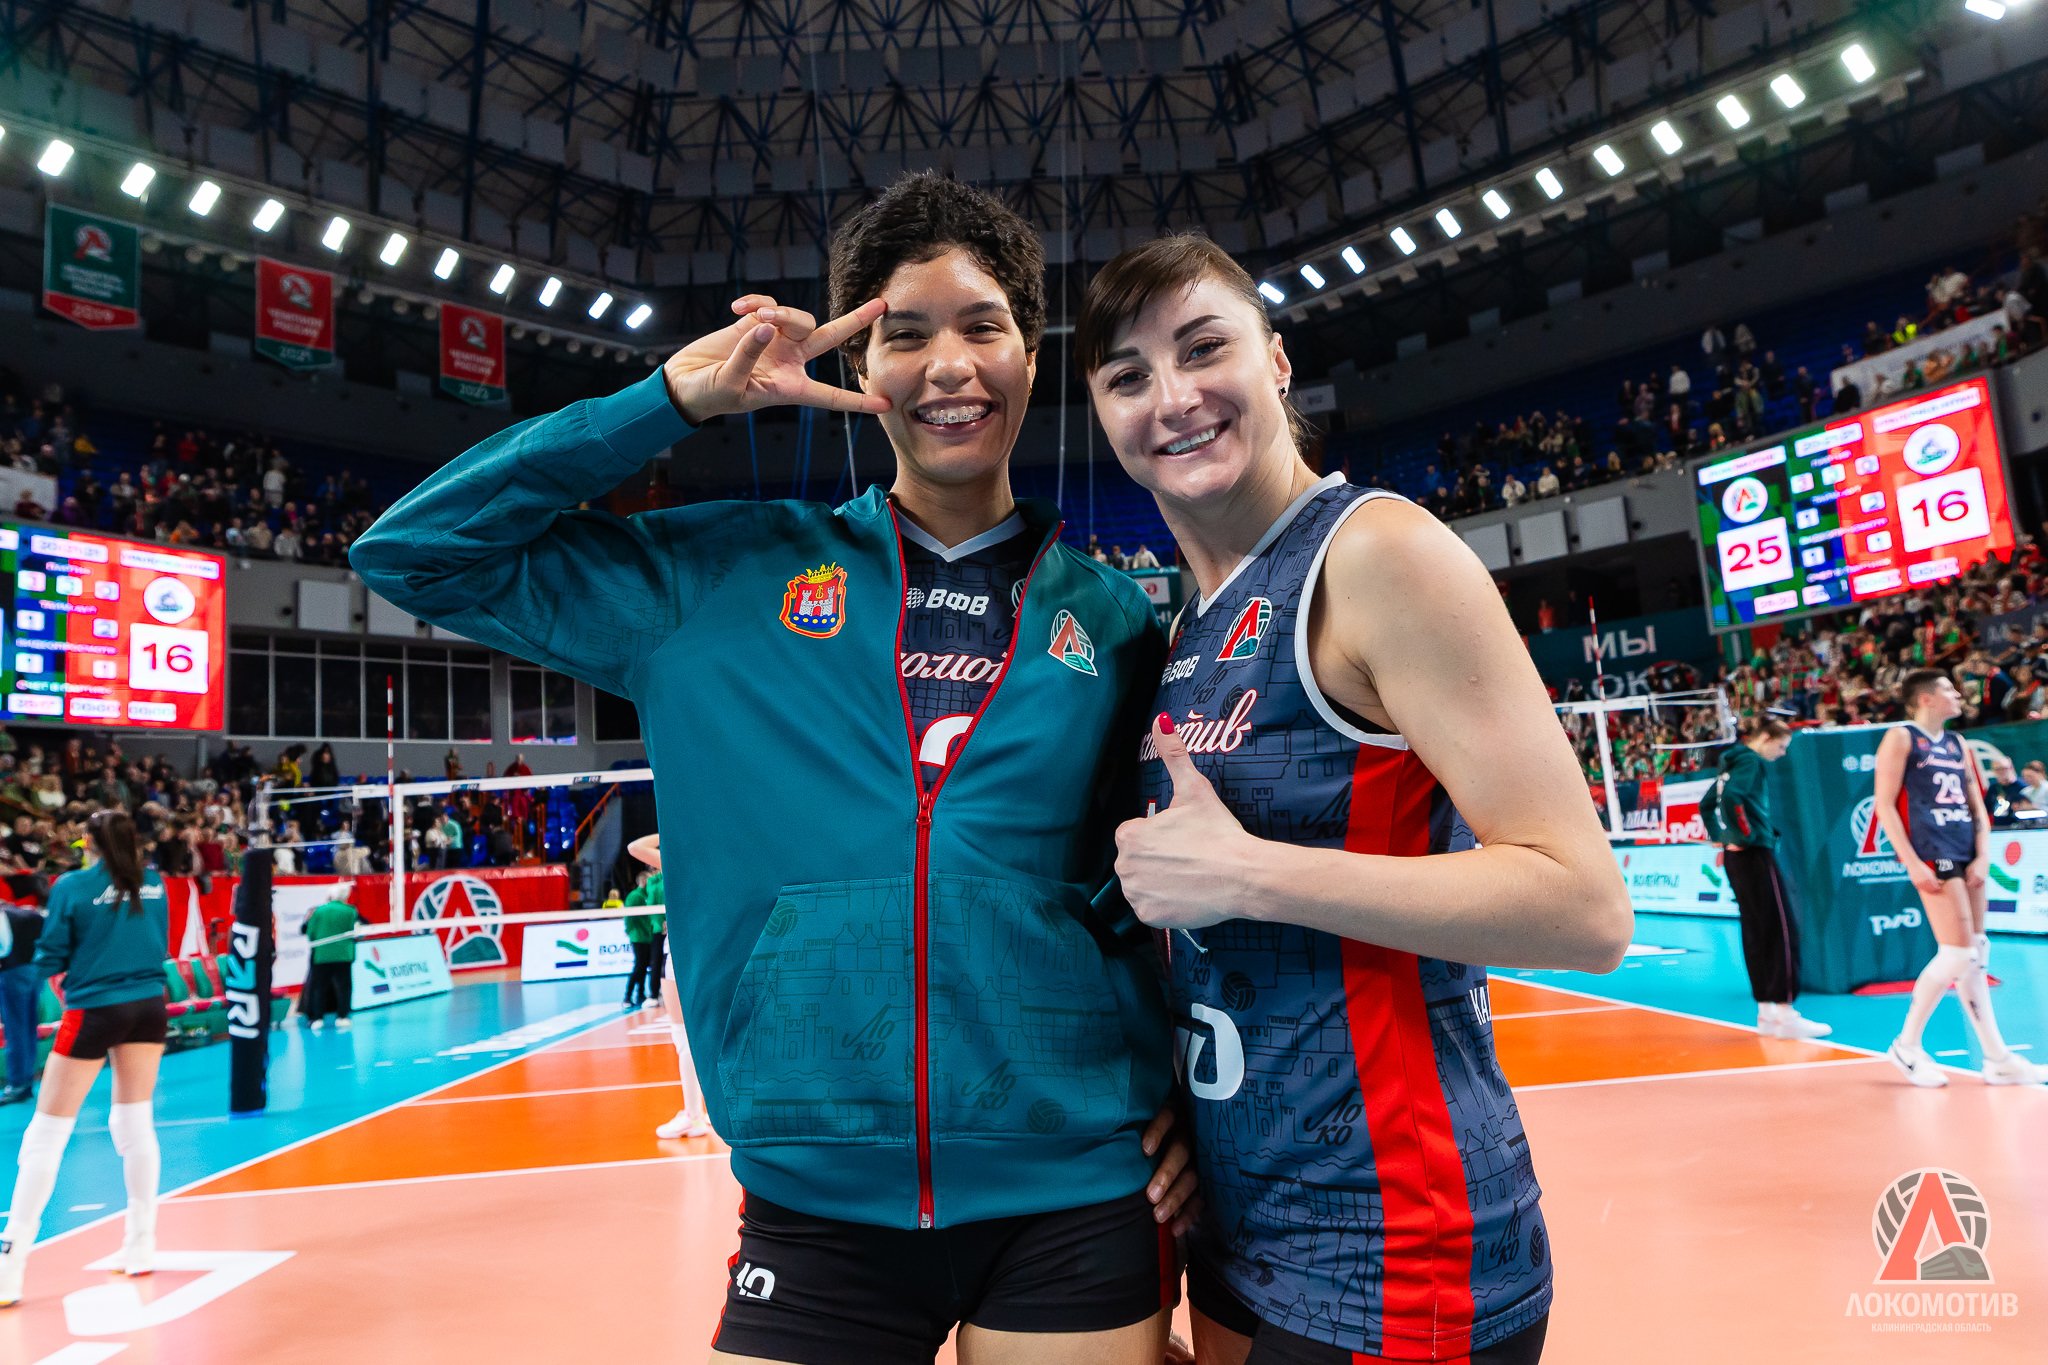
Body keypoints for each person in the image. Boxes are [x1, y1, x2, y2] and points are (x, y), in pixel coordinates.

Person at [352, 173, 1196, 1364]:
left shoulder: (1113, 621)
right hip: (815, 1207)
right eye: (905, 334)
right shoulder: (716, 579)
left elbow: (1145, 890)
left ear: (1028, 350)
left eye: (982, 326)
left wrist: (1186, 1104)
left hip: (1076, 1189)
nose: (948, 365)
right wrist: (667, 402)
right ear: (859, 364)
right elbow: (415, 553)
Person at [1078, 234, 1633, 1365]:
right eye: (1129, 375)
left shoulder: (1376, 555)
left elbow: (1583, 907)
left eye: (1203, 348)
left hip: (1393, 1247)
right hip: (1236, 1224)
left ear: (1277, 362)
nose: (1172, 397)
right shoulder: (1186, 627)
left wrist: (1253, 874)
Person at [0, 810, 170, 1306]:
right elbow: (156, 940)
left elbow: (52, 951)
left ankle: (10, 1265)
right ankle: (141, 1244)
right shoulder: (153, 882)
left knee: (46, 1134)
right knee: (134, 1122)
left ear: (88, 843)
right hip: (149, 1006)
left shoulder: (73, 886)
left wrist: (36, 968)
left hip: (95, 1009)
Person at [1875, 671, 2048, 1087]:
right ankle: (1906, 1045)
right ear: (1926, 698)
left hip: (1965, 847)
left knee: (1976, 952)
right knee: (1957, 953)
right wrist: (1911, 862)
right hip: (1931, 849)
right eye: (1948, 689)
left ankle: (1997, 1058)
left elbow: (1977, 806)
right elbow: (1884, 804)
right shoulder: (1901, 737)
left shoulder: (1957, 743)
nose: (1957, 694)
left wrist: (1983, 854)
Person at [1704, 718, 1830, 1038]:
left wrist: (1721, 834)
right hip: (1754, 853)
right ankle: (1785, 1012)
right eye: (1781, 746)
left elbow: (1708, 804)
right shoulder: (1751, 761)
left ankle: (1767, 1012)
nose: (1782, 753)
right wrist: (1744, 835)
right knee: (1781, 929)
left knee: (1756, 930)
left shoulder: (1730, 763)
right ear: (1765, 738)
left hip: (1736, 857)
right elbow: (1732, 799)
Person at [627, 833, 713, 1141]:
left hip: (683, 949)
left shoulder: (682, 863)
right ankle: (699, 1111)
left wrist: (669, 829)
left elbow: (635, 847)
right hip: (698, 947)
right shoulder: (715, 863)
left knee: (683, 1036)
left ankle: (693, 1116)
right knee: (696, 1035)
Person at [300, 882, 362, 1031]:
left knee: (318, 987)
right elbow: (356, 932)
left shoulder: (319, 911)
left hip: (322, 955)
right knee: (344, 987)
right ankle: (342, 1017)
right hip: (344, 955)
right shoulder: (350, 911)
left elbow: (310, 932)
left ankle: (317, 1019)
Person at [0, 895, 44, 1104]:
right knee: (28, 1027)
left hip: (12, 973)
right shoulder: (28, 913)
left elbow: (4, 948)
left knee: (15, 1029)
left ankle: (18, 1083)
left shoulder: (4, 917)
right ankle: (25, 1081)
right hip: (34, 970)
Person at [619, 869, 666, 1012]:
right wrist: (631, 932)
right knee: (639, 966)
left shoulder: (645, 895)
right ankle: (627, 997)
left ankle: (640, 994)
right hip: (638, 937)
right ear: (644, 881)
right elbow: (628, 918)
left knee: (645, 966)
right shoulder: (634, 896)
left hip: (647, 936)